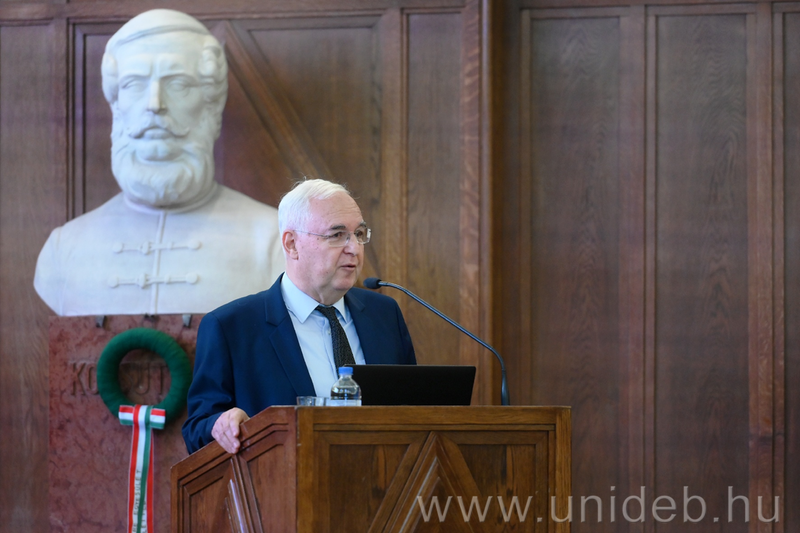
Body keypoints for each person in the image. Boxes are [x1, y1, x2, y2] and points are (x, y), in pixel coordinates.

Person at [33, 9, 285, 316]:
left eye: (178, 84)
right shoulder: (64, 250)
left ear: (211, 104)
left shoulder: (273, 242)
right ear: (116, 105)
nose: (155, 104)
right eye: (133, 84)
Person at [182, 179, 416, 454]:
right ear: (292, 244)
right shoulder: (231, 327)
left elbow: (414, 408)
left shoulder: (384, 314)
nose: (354, 248)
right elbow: (197, 430)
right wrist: (220, 423)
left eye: (359, 234)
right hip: (283, 477)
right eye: (337, 235)